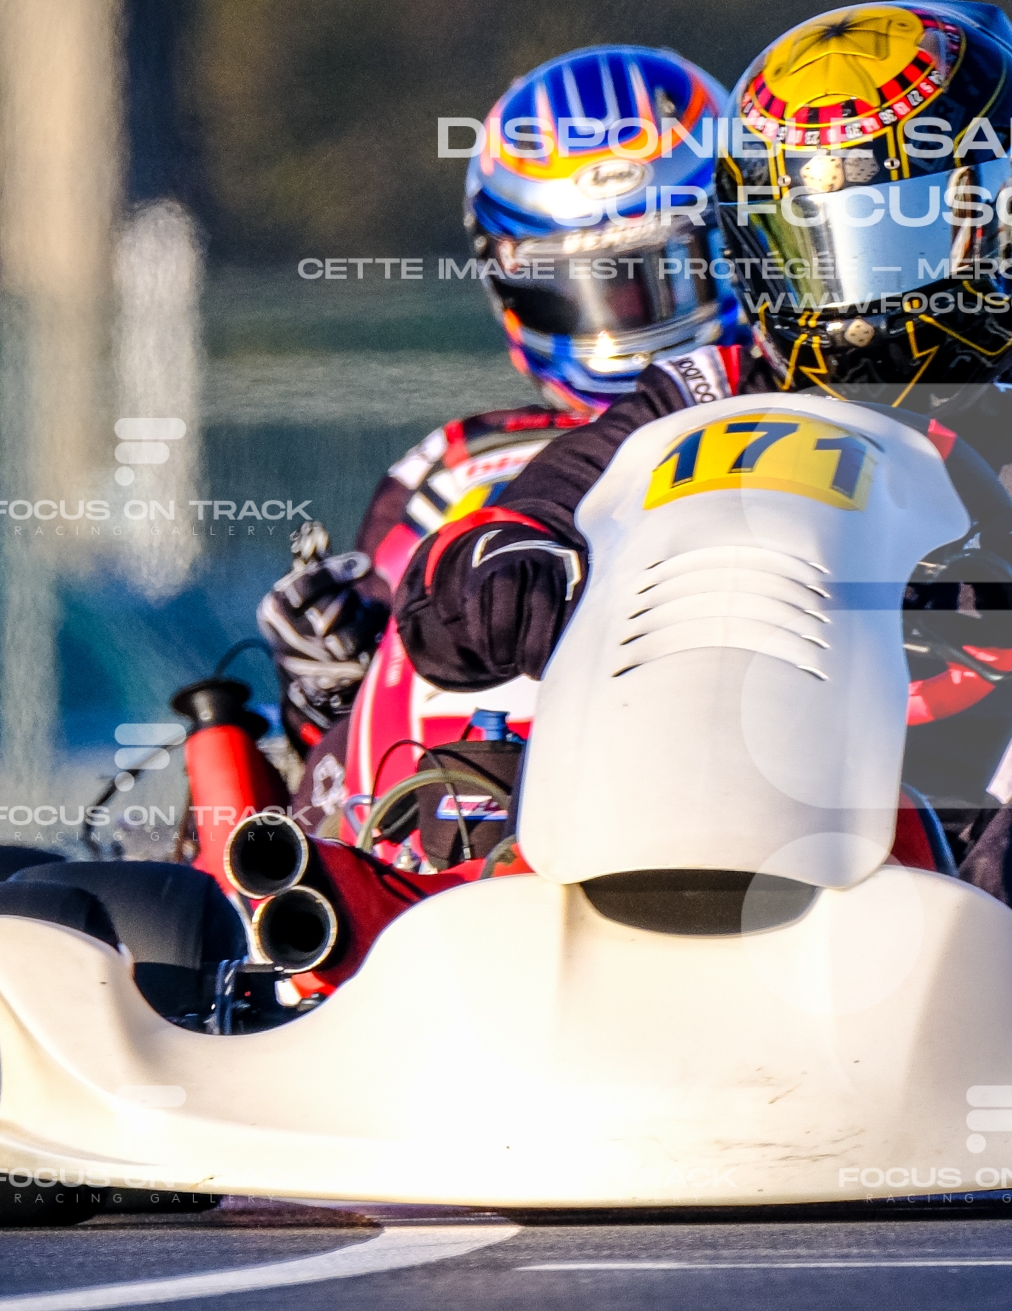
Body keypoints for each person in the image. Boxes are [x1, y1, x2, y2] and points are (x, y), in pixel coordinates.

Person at [394, 0, 1012, 973]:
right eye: (820, 239)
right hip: (693, 817)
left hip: (976, 885)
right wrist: (497, 567)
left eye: (906, 235)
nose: (862, 293)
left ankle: (976, 986)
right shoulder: (697, 397)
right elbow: (476, 552)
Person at [254, 46, 744, 822]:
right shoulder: (454, 469)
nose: (623, 310)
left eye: (659, 268)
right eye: (581, 281)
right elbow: (367, 730)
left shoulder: (786, 414)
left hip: (733, 779)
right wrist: (326, 679)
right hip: (482, 829)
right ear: (509, 278)